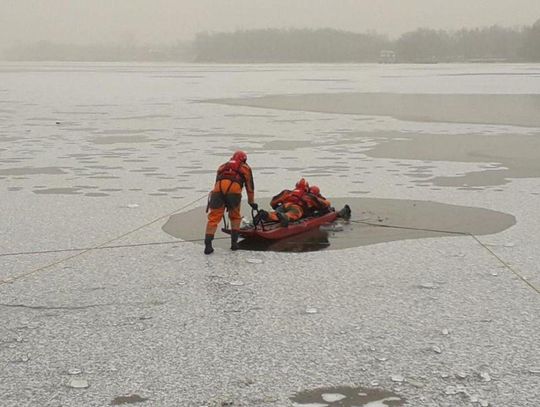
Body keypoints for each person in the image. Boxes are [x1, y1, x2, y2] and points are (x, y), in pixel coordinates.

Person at [204, 150, 257, 254]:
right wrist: (251, 202)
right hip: (234, 193)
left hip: (217, 192)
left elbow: (217, 182)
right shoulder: (245, 168)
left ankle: (208, 245)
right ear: (244, 160)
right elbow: (250, 186)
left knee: (213, 218)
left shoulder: (222, 166)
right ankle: (234, 244)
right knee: (235, 217)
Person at [259, 178, 331, 227]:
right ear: (307, 188)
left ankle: (267, 215)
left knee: (275, 214)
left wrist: (276, 207)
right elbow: (324, 204)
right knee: (293, 214)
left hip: (283, 206)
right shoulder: (309, 196)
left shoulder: (287, 192)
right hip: (296, 207)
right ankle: (285, 217)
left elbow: (273, 202)